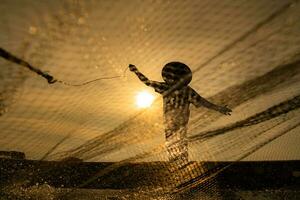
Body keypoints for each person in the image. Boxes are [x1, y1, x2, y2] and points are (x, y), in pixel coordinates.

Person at [129, 62, 232, 165]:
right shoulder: (183, 90)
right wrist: (219, 109)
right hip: (176, 122)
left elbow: (147, 82)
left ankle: (177, 164)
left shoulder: (169, 88)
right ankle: (180, 164)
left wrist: (136, 71)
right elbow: (203, 102)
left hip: (172, 122)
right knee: (178, 143)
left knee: (174, 143)